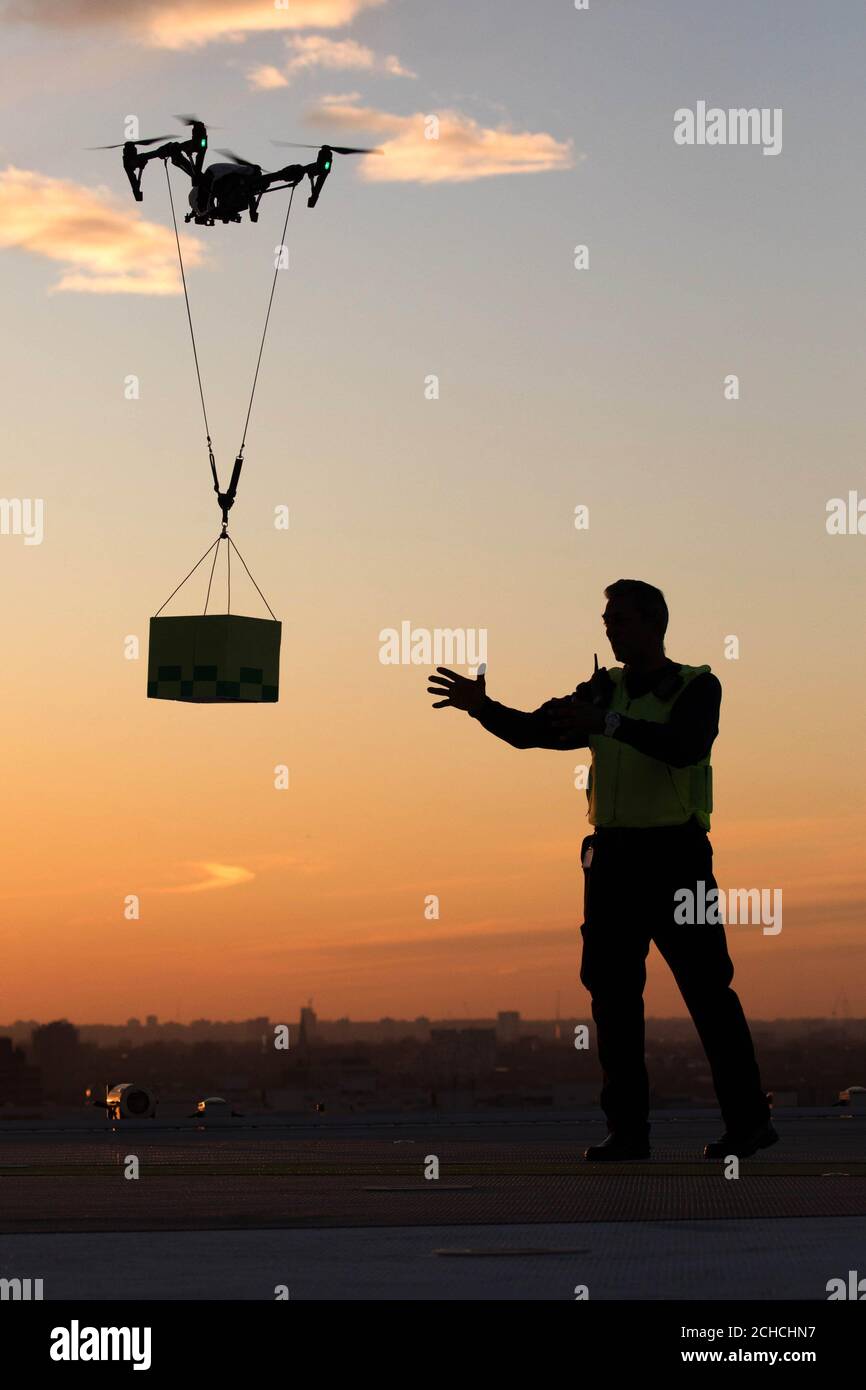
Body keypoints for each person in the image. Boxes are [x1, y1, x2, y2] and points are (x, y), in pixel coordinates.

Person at [427, 579, 777, 1162]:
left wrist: (608, 723)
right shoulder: (603, 689)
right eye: (606, 618)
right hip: (613, 863)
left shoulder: (696, 687)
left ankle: (749, 1124)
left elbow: (685, 746)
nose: (608, 628)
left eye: (617, 618)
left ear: (651, 624)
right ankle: (628, 1133)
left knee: (709, 994)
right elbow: (536, 732)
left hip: (677, 860)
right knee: (613, 999)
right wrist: (482, 708)